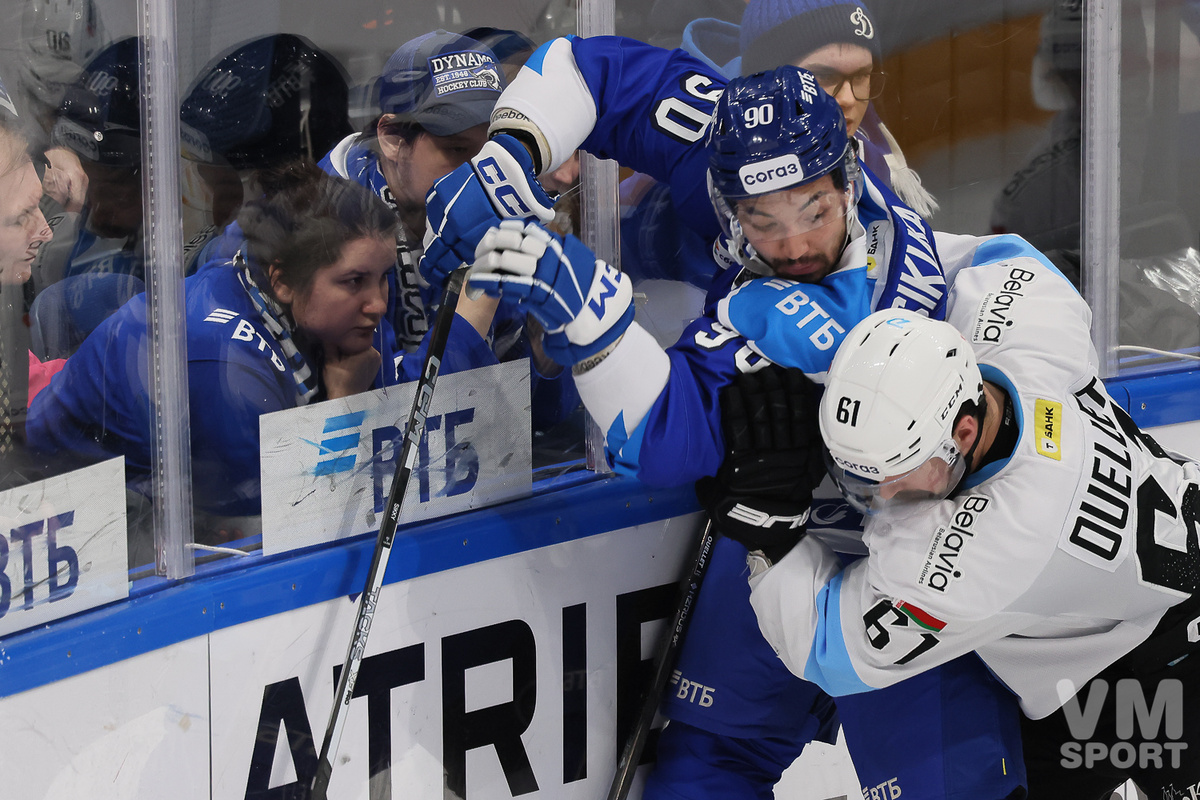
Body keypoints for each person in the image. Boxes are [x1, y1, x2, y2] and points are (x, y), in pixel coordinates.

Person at [423, 34, 1026, 799]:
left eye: (811, 210)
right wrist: (509, 151)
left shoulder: (851, 306)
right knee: (704, 770)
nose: (793, 242)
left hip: (914, 552)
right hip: (782, 536)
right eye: (761, 220)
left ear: (845, 178)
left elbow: (662, 440)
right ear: (726, 196)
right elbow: (590, 70)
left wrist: (583, 303)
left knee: (950, 789)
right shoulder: (750, 144)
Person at [715, 263, 1200, 797]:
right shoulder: (1026, 316)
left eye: (894, 473)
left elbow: (827, 652)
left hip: (1164, 666)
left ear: (962, 433)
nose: (879, 500)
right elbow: (931, 253)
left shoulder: (986, 547)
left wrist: (772, 535)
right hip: (1115, 631)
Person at [27, 162, 402, 553]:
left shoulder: (264, 256)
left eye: (384, 277)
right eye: (354, 281)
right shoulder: (225, 371)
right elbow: (306, 530)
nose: (377, 303)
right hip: (72, 514)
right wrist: (343, 404)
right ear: (283, 282)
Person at [320, 29, 581, 445]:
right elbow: (398, 436)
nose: (476, 173)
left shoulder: (499, 203)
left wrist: (546, 350)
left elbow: (546, 422)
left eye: (490, 150)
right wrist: (474, 309)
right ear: (391, 138)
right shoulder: (324, 224)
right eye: (458, 150)